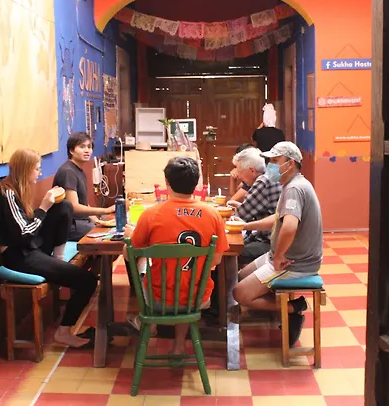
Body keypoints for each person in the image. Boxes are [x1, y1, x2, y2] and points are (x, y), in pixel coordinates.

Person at [0, 149, 98, 348]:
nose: (40, 174)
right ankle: (64, 332)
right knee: (87, 280)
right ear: (25, 170)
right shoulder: (5, 193)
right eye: (37, 169)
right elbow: (24, 234)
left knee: (64, 206)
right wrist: (44, 207)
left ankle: (58, 258)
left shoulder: (16, 187)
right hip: (19, 256)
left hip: (30, 247)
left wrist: (49, 205)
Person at [124, 156, 229, 355]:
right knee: (187, 279)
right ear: (196, 183)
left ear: (167, 182)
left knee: (144, 261)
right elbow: (216, 260)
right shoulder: (212, 214)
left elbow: (129, 257)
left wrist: (129, 238)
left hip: (158, 299)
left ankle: (149, 324)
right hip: (196, 298)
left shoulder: (151, 214)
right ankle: (179, 345)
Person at [232, 141, 323, 346]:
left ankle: (293, 308)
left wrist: (279, 256)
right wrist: (245, 225)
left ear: (290, 164)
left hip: (294, 262)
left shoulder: (294, 189)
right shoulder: (291, 184)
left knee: (239, 293)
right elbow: (276, 219)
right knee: (239, 277)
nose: (270, 166)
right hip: (280, 255)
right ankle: (280, 308)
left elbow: (289, 227)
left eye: (275, 161)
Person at [53, 132, 115, 241]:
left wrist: (97, 221)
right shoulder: (68, 172)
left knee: (110, 230)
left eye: (89, 147)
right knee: (108, 236)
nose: (87, 150)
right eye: (82, 147)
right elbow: (74, 207)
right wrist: (106, 210)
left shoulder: (78, 170)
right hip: (71, 225)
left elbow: (84, 204)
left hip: (81, 222)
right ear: (71, 151)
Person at [227, 147, 282, 266]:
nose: (239, 177)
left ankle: (230, 279)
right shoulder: (268, 176)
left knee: (230, 253)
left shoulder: (263, 181)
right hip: (264, 236)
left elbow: (241, 215)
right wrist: (240, 205)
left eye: (240, 172)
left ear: (251, 170)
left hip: (270, 242)